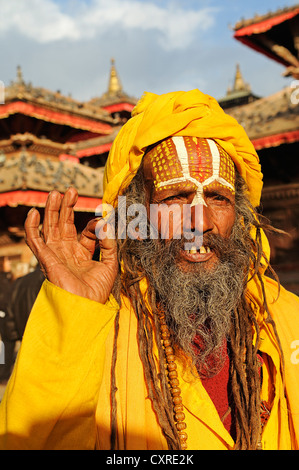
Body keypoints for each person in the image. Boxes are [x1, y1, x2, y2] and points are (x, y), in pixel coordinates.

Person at [0, 89, 299, 450]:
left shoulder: (286, 318)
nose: (200, 221)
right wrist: (74, 314)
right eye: (175, 197)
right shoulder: (103, 327)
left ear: (239, 215)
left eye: (219, 198)